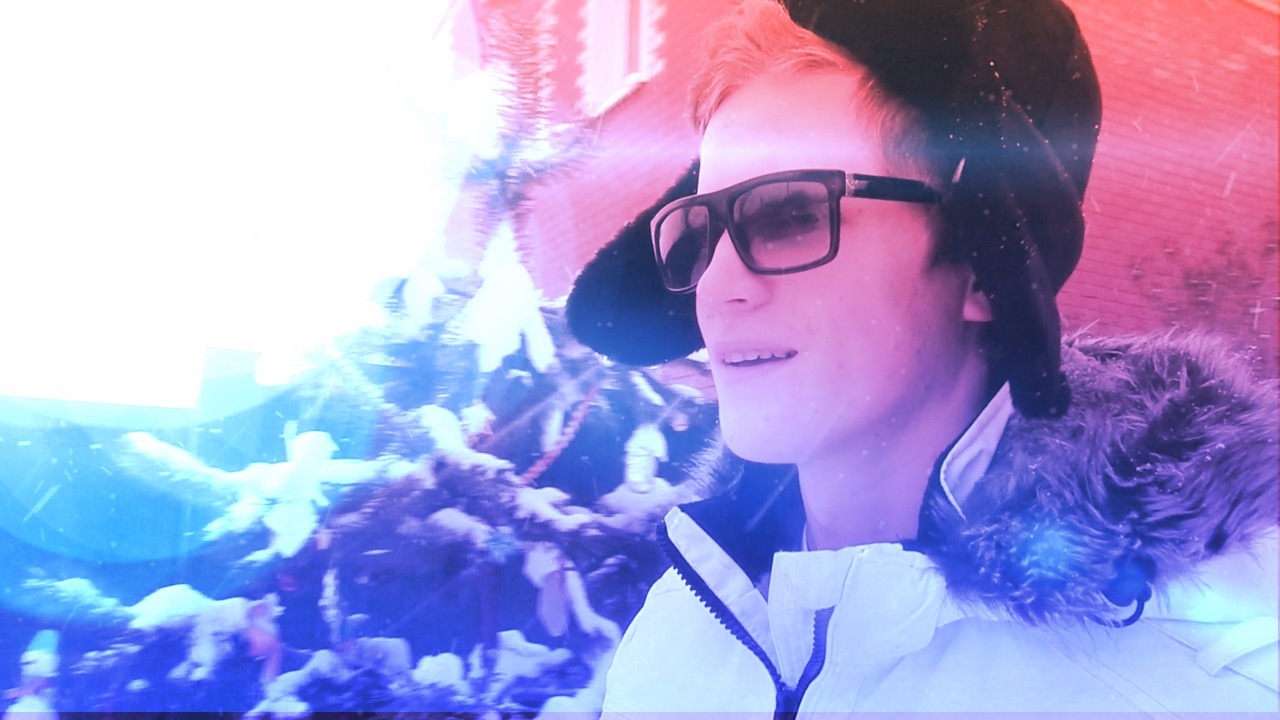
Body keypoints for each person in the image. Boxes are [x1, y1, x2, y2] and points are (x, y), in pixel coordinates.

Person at [565, 0, 1278, 715]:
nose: (716, 286)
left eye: (790, 214)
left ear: (981, 266)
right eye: (698, 233)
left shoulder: (1200, 687)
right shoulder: (677, 631)